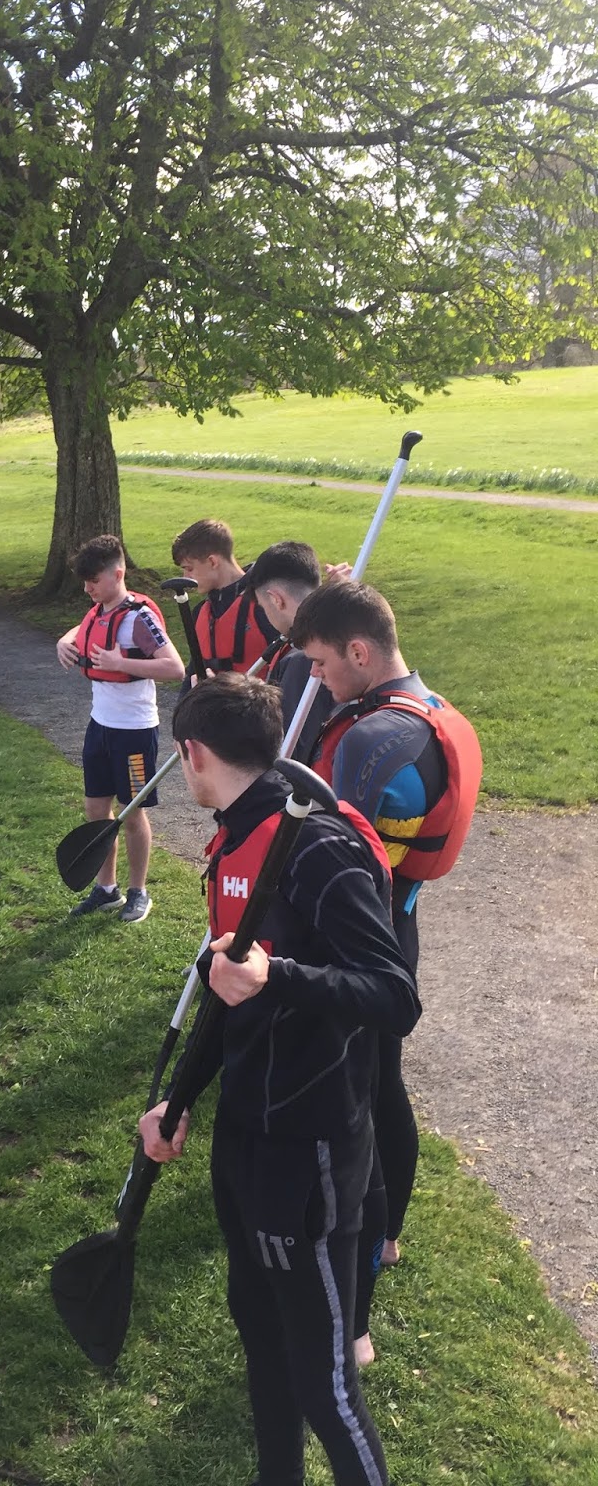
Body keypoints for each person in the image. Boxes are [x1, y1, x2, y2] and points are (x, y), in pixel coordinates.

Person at [139, 675, 419, 1486]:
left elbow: (395, 997)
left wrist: (280, 975)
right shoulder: (241, 831)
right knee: (260, 1341)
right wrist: (179, 1101)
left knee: (325, 1383)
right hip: (248, 1137)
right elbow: (229, 994)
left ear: (193, 755)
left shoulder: (316, 846)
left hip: (314, 1147)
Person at [290, 580, 482, 1360]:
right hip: (400, 926)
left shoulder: (374, 742)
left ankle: (356, 1310)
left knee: (353, 1112)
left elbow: (328, 857)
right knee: (381, 1087)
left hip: (363, 941)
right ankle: (390, 1236)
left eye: (322, 663)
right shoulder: (432, 711)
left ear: (360, 652)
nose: (315, 680)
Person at [55, 535, 185, 922]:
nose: (87, 588)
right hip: (100, 728)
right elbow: (80, 630)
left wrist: (120, 662)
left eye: (93, 580)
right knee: (97, 809)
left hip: (135, 732)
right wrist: (63, 641)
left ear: (118, 573)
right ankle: (106, 889)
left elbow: (174, 668)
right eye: (84, 581)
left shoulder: (138, 617)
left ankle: (138, 892)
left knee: (131, 813)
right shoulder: (98, 610)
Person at [242, 541, 350, 753]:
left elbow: (290, 750)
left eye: (263, 607)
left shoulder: (302, 659)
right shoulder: (343, 635)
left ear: (275, 599)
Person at [170, 519, 280, 679]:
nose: (185, 577)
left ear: (212, 561)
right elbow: (193, 673)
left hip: (262, 702)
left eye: (189, 569)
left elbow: (289, 669)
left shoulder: (265, 604)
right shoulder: (200, 612)